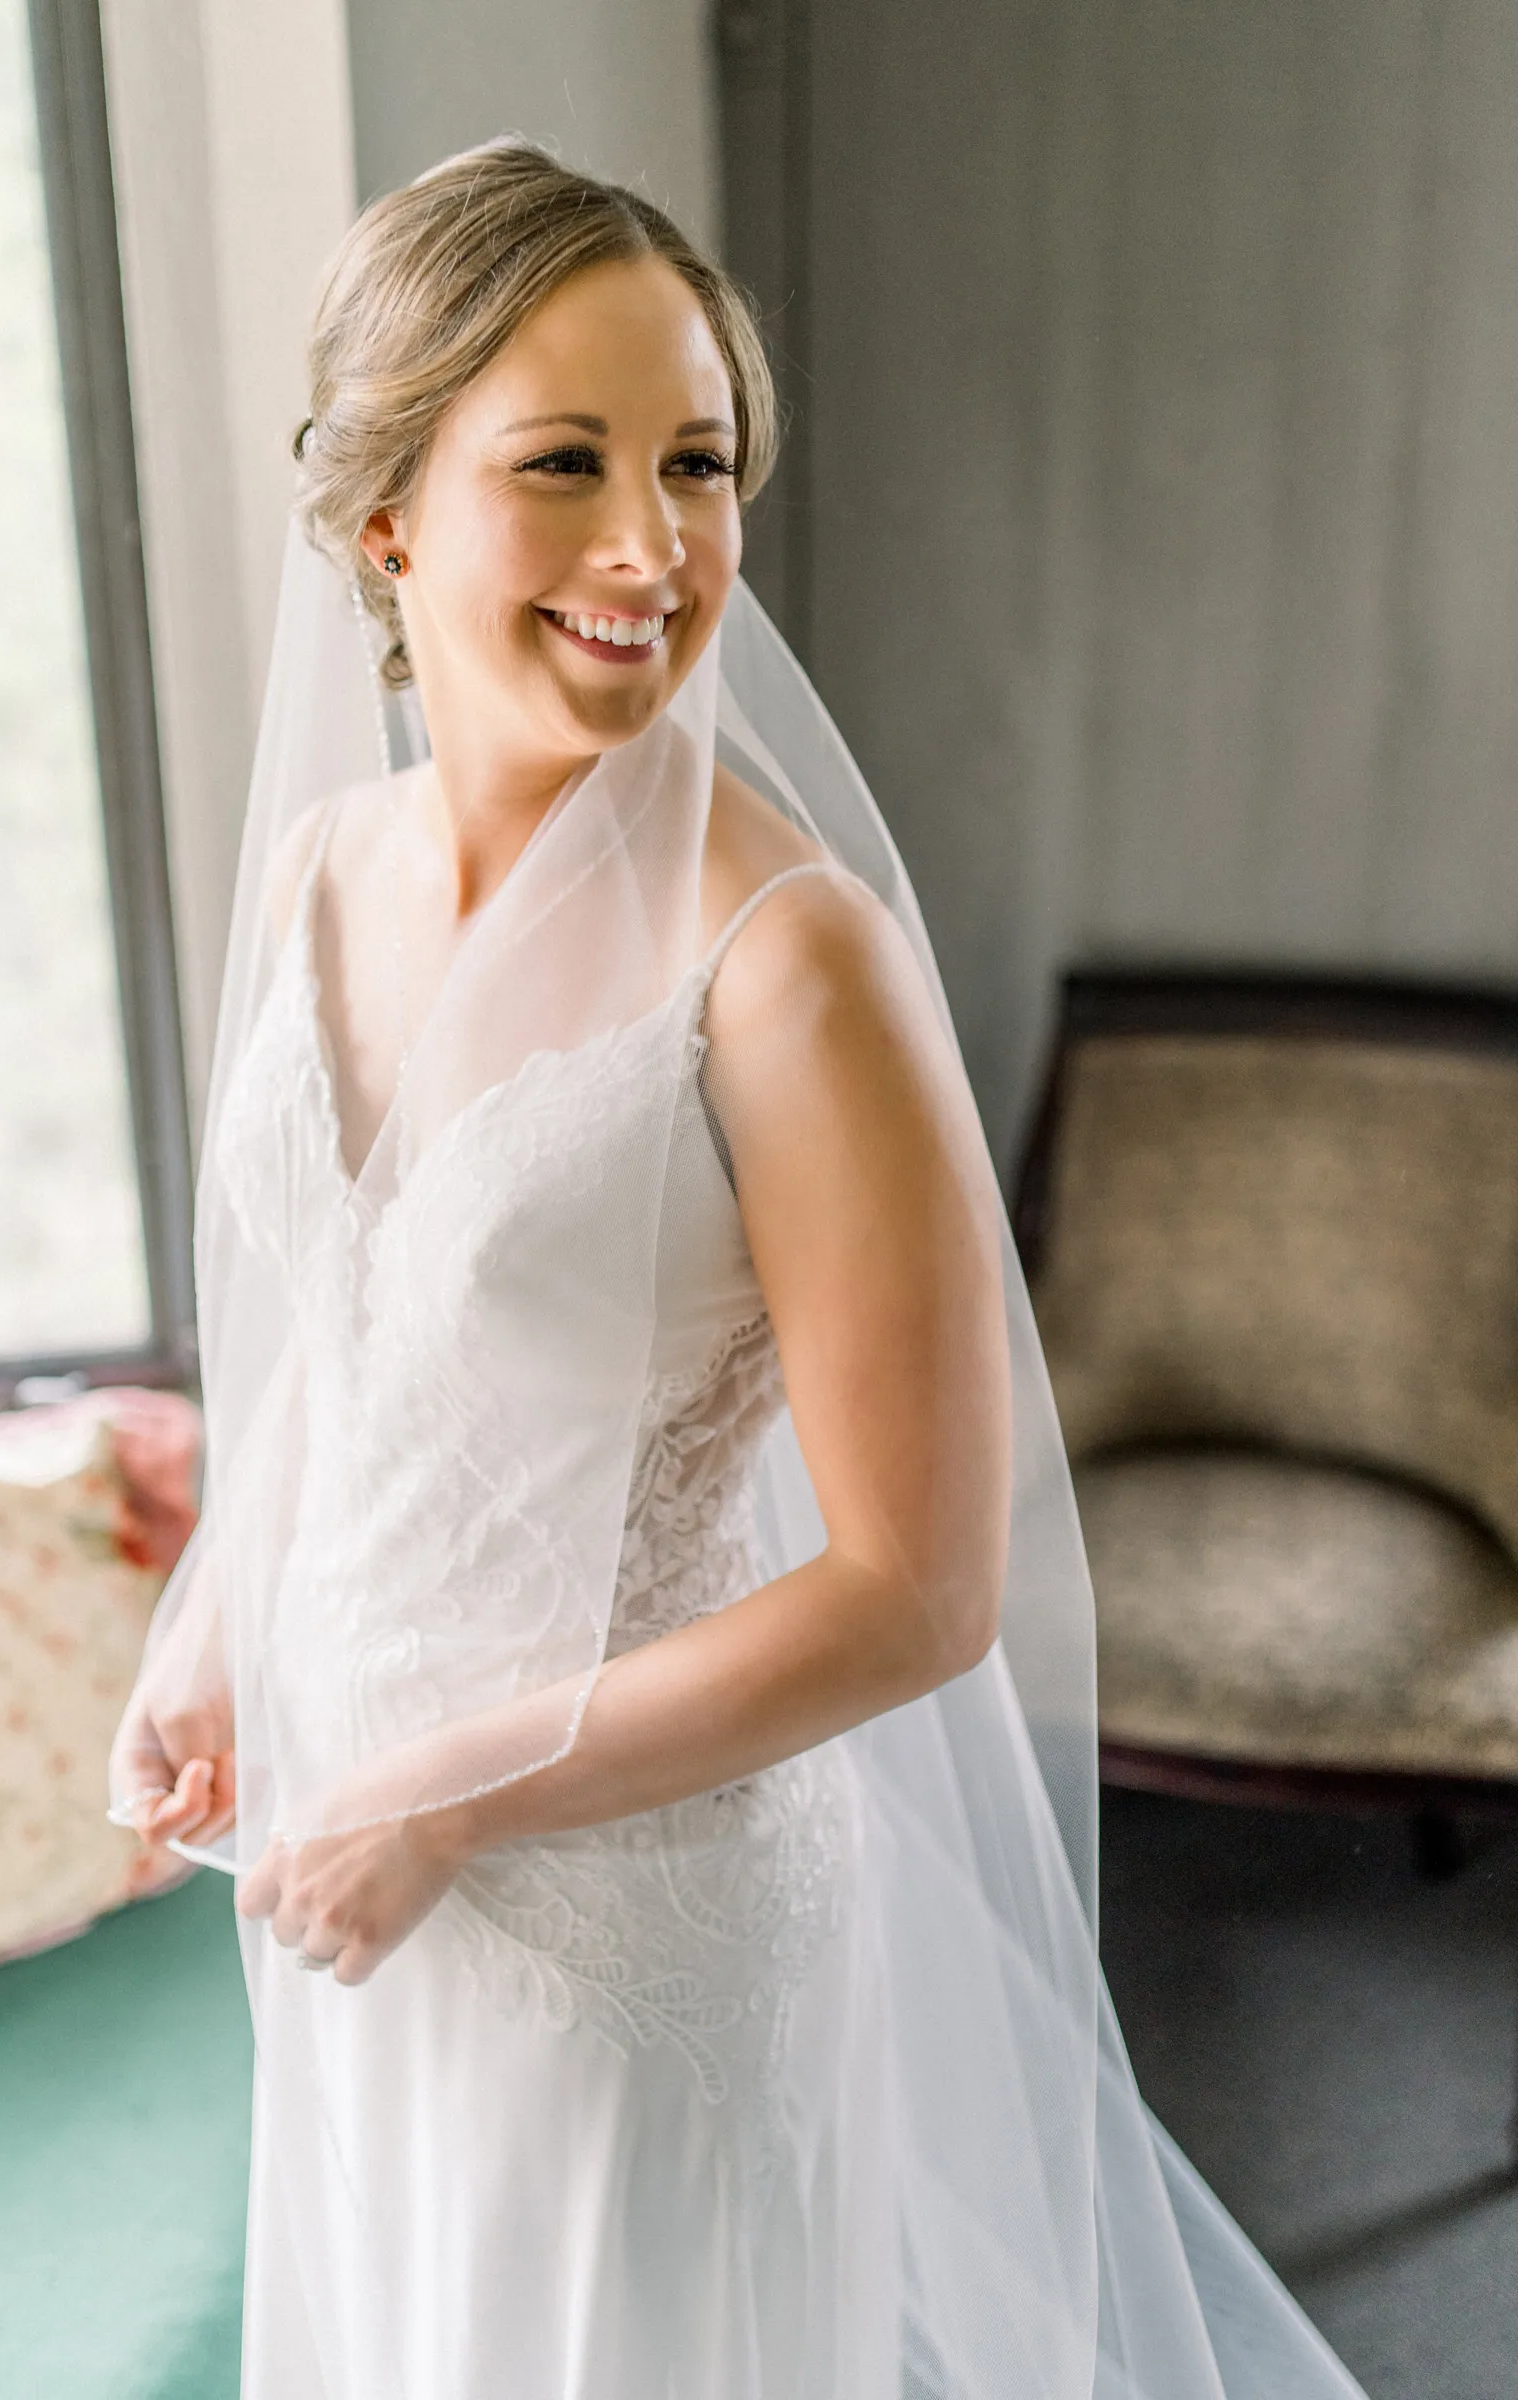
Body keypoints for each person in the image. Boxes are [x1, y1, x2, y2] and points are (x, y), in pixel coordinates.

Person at [109, 139, 1369, 2400]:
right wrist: (212, 1629)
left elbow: (915, 1590)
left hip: (633, 1934)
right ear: (387, 516)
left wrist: (448, 1794)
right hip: (344, 1883)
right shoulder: (314, 870)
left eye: (696, 465)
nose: (652, 546)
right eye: (564, 463)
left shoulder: (788, 966)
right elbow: (349, 1328)